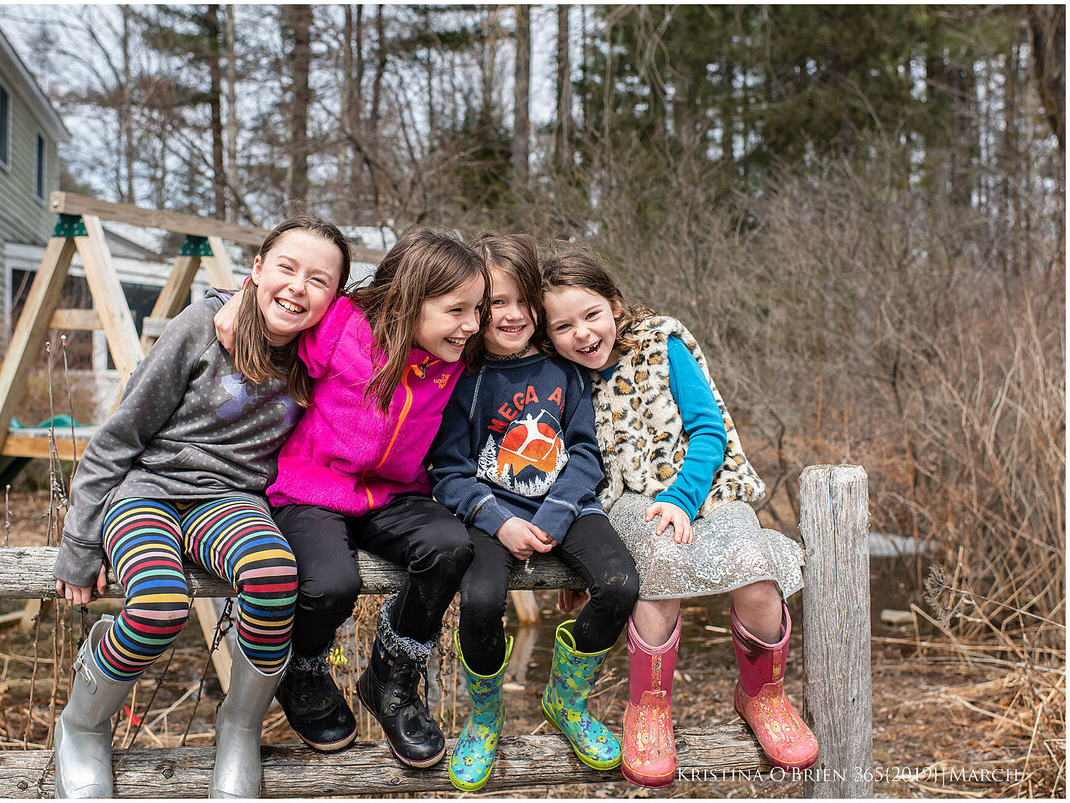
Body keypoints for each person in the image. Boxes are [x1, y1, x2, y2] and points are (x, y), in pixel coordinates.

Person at [51, 214, 352, 799]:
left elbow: (393, 312)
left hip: (231, 501)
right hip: (148, 493)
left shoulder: (329, 349)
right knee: (160, 605)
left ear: (336, 297)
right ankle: (83, 724)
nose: (298, 287)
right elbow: (119, 437)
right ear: (256, 269)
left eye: (320, 280)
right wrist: (80, 543)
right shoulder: (201, 325)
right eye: (286, 268)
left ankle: (238, 728)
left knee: (274, 576)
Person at [540, 247, 815, 788]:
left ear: (615, 305)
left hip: (703, 488)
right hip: (627, 501)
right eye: (563, 326)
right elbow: (562, 466)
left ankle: (763, 695)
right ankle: (649, 706)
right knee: (659, 569)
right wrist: (580, 557)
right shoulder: (559, 379)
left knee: (754, 568)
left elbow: (709, 430)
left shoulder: (661, 347)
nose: (582, 334)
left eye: (591, 314)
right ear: (548, 336)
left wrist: (682, 498)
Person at [223, 227, 489, 770]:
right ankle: (303, 670)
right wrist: (231, 302)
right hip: (312, 487)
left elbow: (521, 325)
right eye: (458, 310)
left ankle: (391, 676)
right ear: (412, 300)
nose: (472, 324)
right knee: (331, 584)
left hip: (395, 493)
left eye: (478, 309)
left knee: (450, 548)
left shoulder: (457, 351)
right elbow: (284, 305)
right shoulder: (342, 325)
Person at [429, 233, 639, 791]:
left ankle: (565, 701)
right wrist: (499, 522)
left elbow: (586, 454)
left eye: (524, 300)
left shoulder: (562, 370)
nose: (513, 314)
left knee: (619, 585)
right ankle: (485, 718)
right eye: (497, 302)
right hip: (489, 512)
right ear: (477, 308)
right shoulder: (461, 379)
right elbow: (447, 473)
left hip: (567, 506)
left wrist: (555, 515)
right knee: (479, 601)